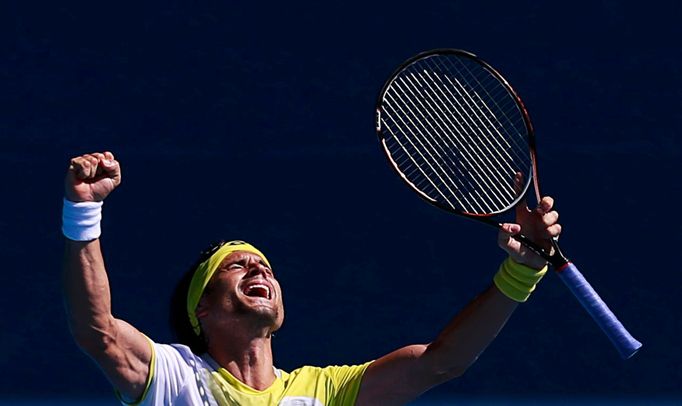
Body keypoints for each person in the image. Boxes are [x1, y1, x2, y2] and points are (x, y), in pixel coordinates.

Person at [63, 151, 561, 406]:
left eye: (265, 267)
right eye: (236, 265)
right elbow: (99, 332)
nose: (259, 268)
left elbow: (441, 362)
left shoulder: (324, 392)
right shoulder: (172, 379)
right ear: (203, 309)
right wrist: (83, 211)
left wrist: (520, 273)